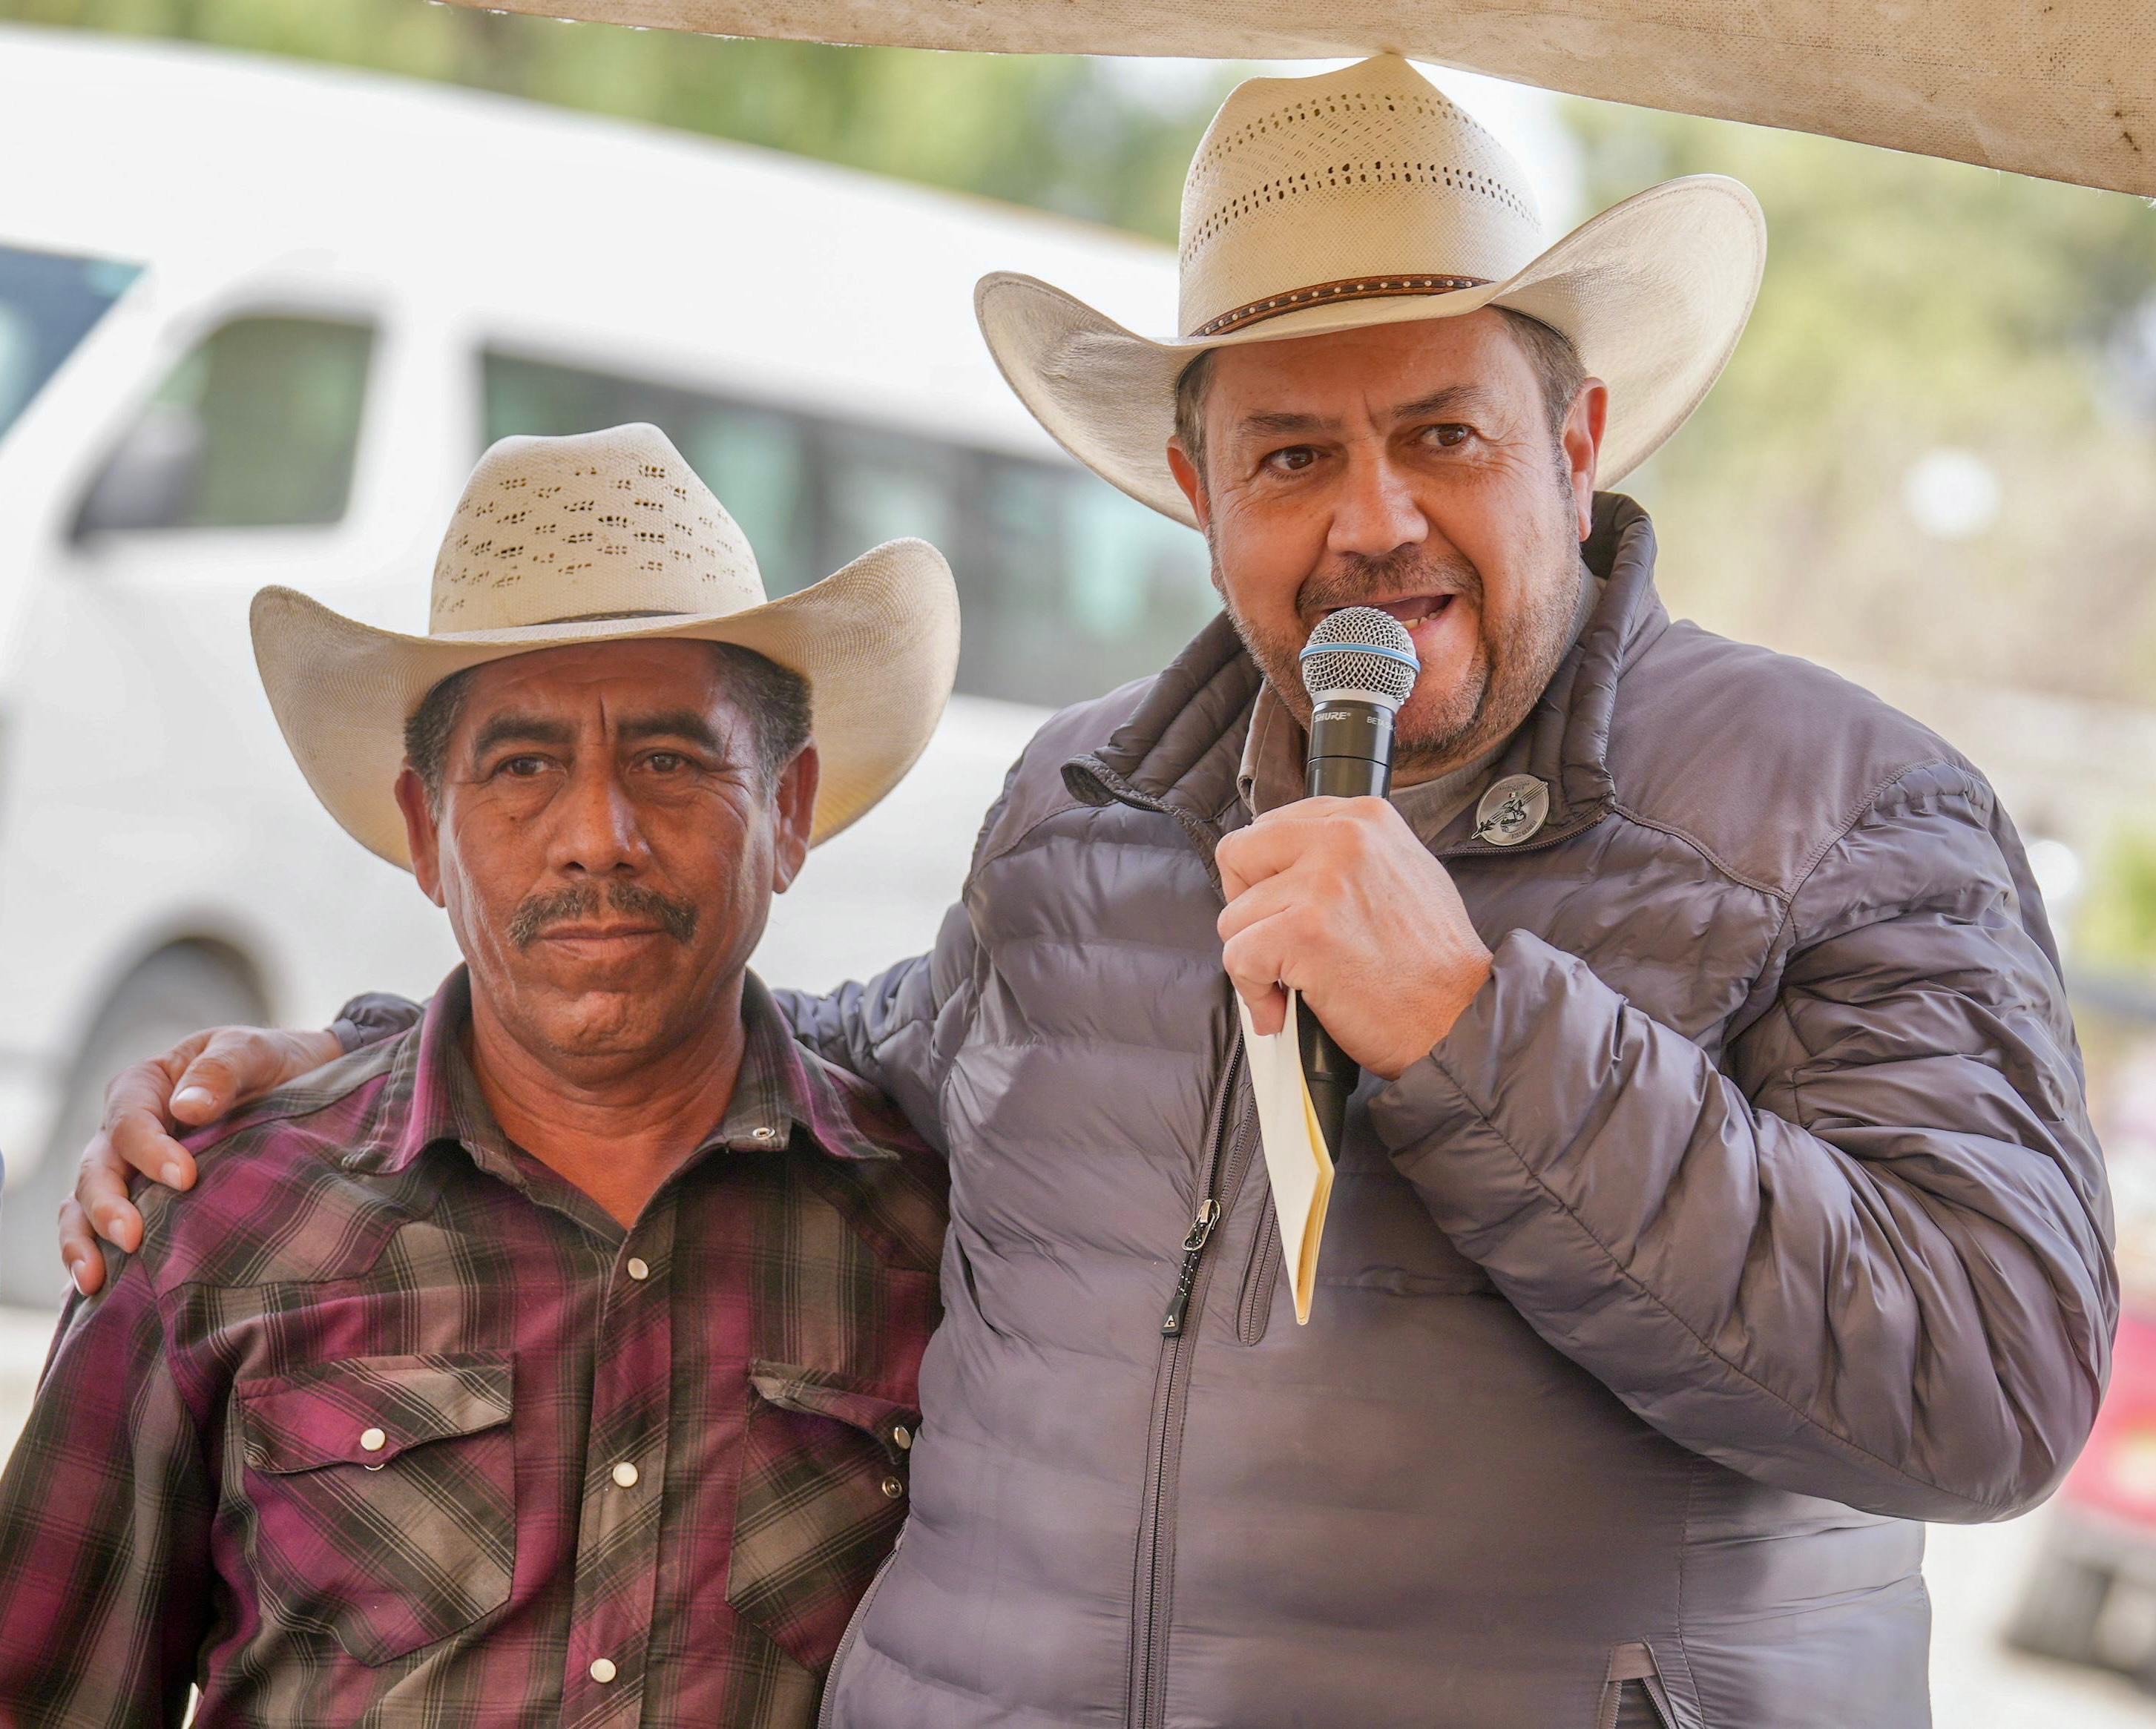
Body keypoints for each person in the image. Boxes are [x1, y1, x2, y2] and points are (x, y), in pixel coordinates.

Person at [64, 57, 2114, 1728]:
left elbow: (1998, 1385)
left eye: (1440, 435)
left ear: (1571, 442)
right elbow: (871, 1061)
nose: (1371, 519)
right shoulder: (1088, 797)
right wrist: (349, 1079)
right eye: (1293, 455)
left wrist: (1477, 1030)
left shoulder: (1839, 803)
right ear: (1193, 489)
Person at [2, 423, 959, 1725]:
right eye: (521, 768)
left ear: (787, 812)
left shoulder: (938, 1240)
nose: (595, 838)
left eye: (672, 763)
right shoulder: (218, 1218)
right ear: (425, 829)